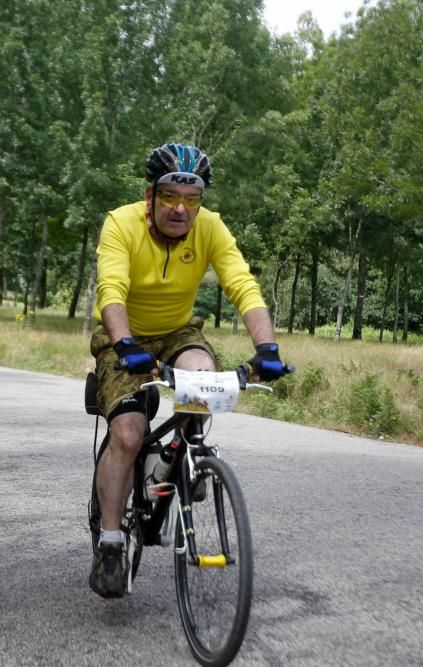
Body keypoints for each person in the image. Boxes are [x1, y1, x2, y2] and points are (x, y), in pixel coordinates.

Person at [88, 143, 289, 599]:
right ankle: (112, 544)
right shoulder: (121, 223)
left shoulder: (211, 228)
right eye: (170, 197)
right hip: (126, 338)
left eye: (192, 199)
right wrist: (124, 345)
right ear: (150, 196)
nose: (181, 209)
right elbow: (111, 290)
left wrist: (268, 348)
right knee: (128, 433)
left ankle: (183, 461)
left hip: (179, 333)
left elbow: (243, 285)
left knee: (205, 379)